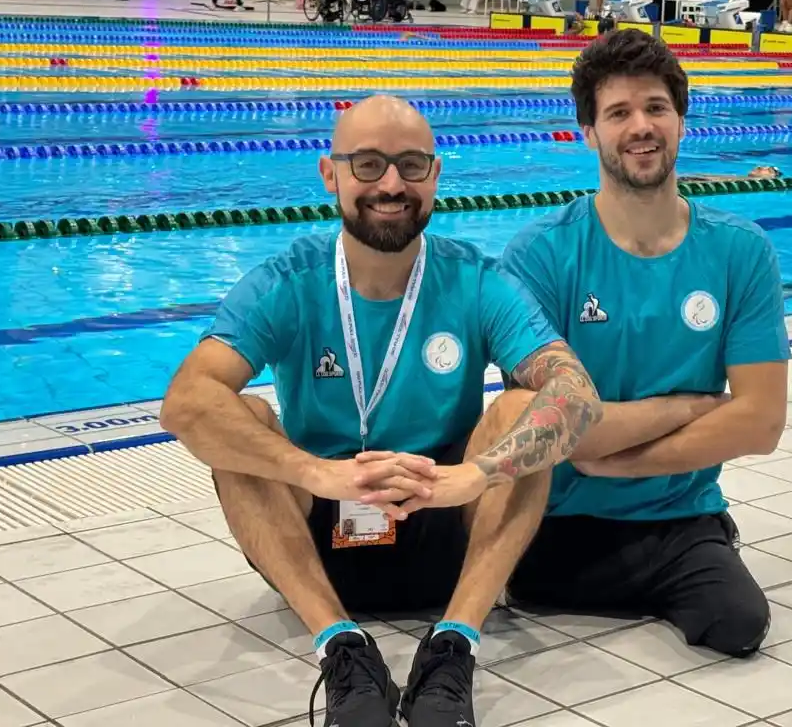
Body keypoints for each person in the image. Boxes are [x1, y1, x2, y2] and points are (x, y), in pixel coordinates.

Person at [160, 95, 603, 727]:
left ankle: (455, 644)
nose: (391, 184)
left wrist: (471, 477)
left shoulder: (476, 280)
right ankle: (341, 647)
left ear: (436, 175)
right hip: (317, 543)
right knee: (238, 417)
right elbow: (185, 403)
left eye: (410, 165)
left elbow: (578, 395)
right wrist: (315, 473)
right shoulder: (288, 281)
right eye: (368, 165)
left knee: (526, 408)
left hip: (448, 530)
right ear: (330, 174)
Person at [501, 29, 791, 658]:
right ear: (590, 132)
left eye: (656, 108)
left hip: (678, 514)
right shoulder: (541, 255)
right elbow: (557, 429)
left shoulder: (740, 251)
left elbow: (763, 422)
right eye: (619, 113)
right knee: (531, 581)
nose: (642, 126)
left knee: (737, 624)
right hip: (558, 519)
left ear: (681, 122)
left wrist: (619, 461)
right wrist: (695, 407)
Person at [681, 165, 781, 183]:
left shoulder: (746, 181)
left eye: (769, 170)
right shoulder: (738, 178)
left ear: (771, 177)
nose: (760, 167)